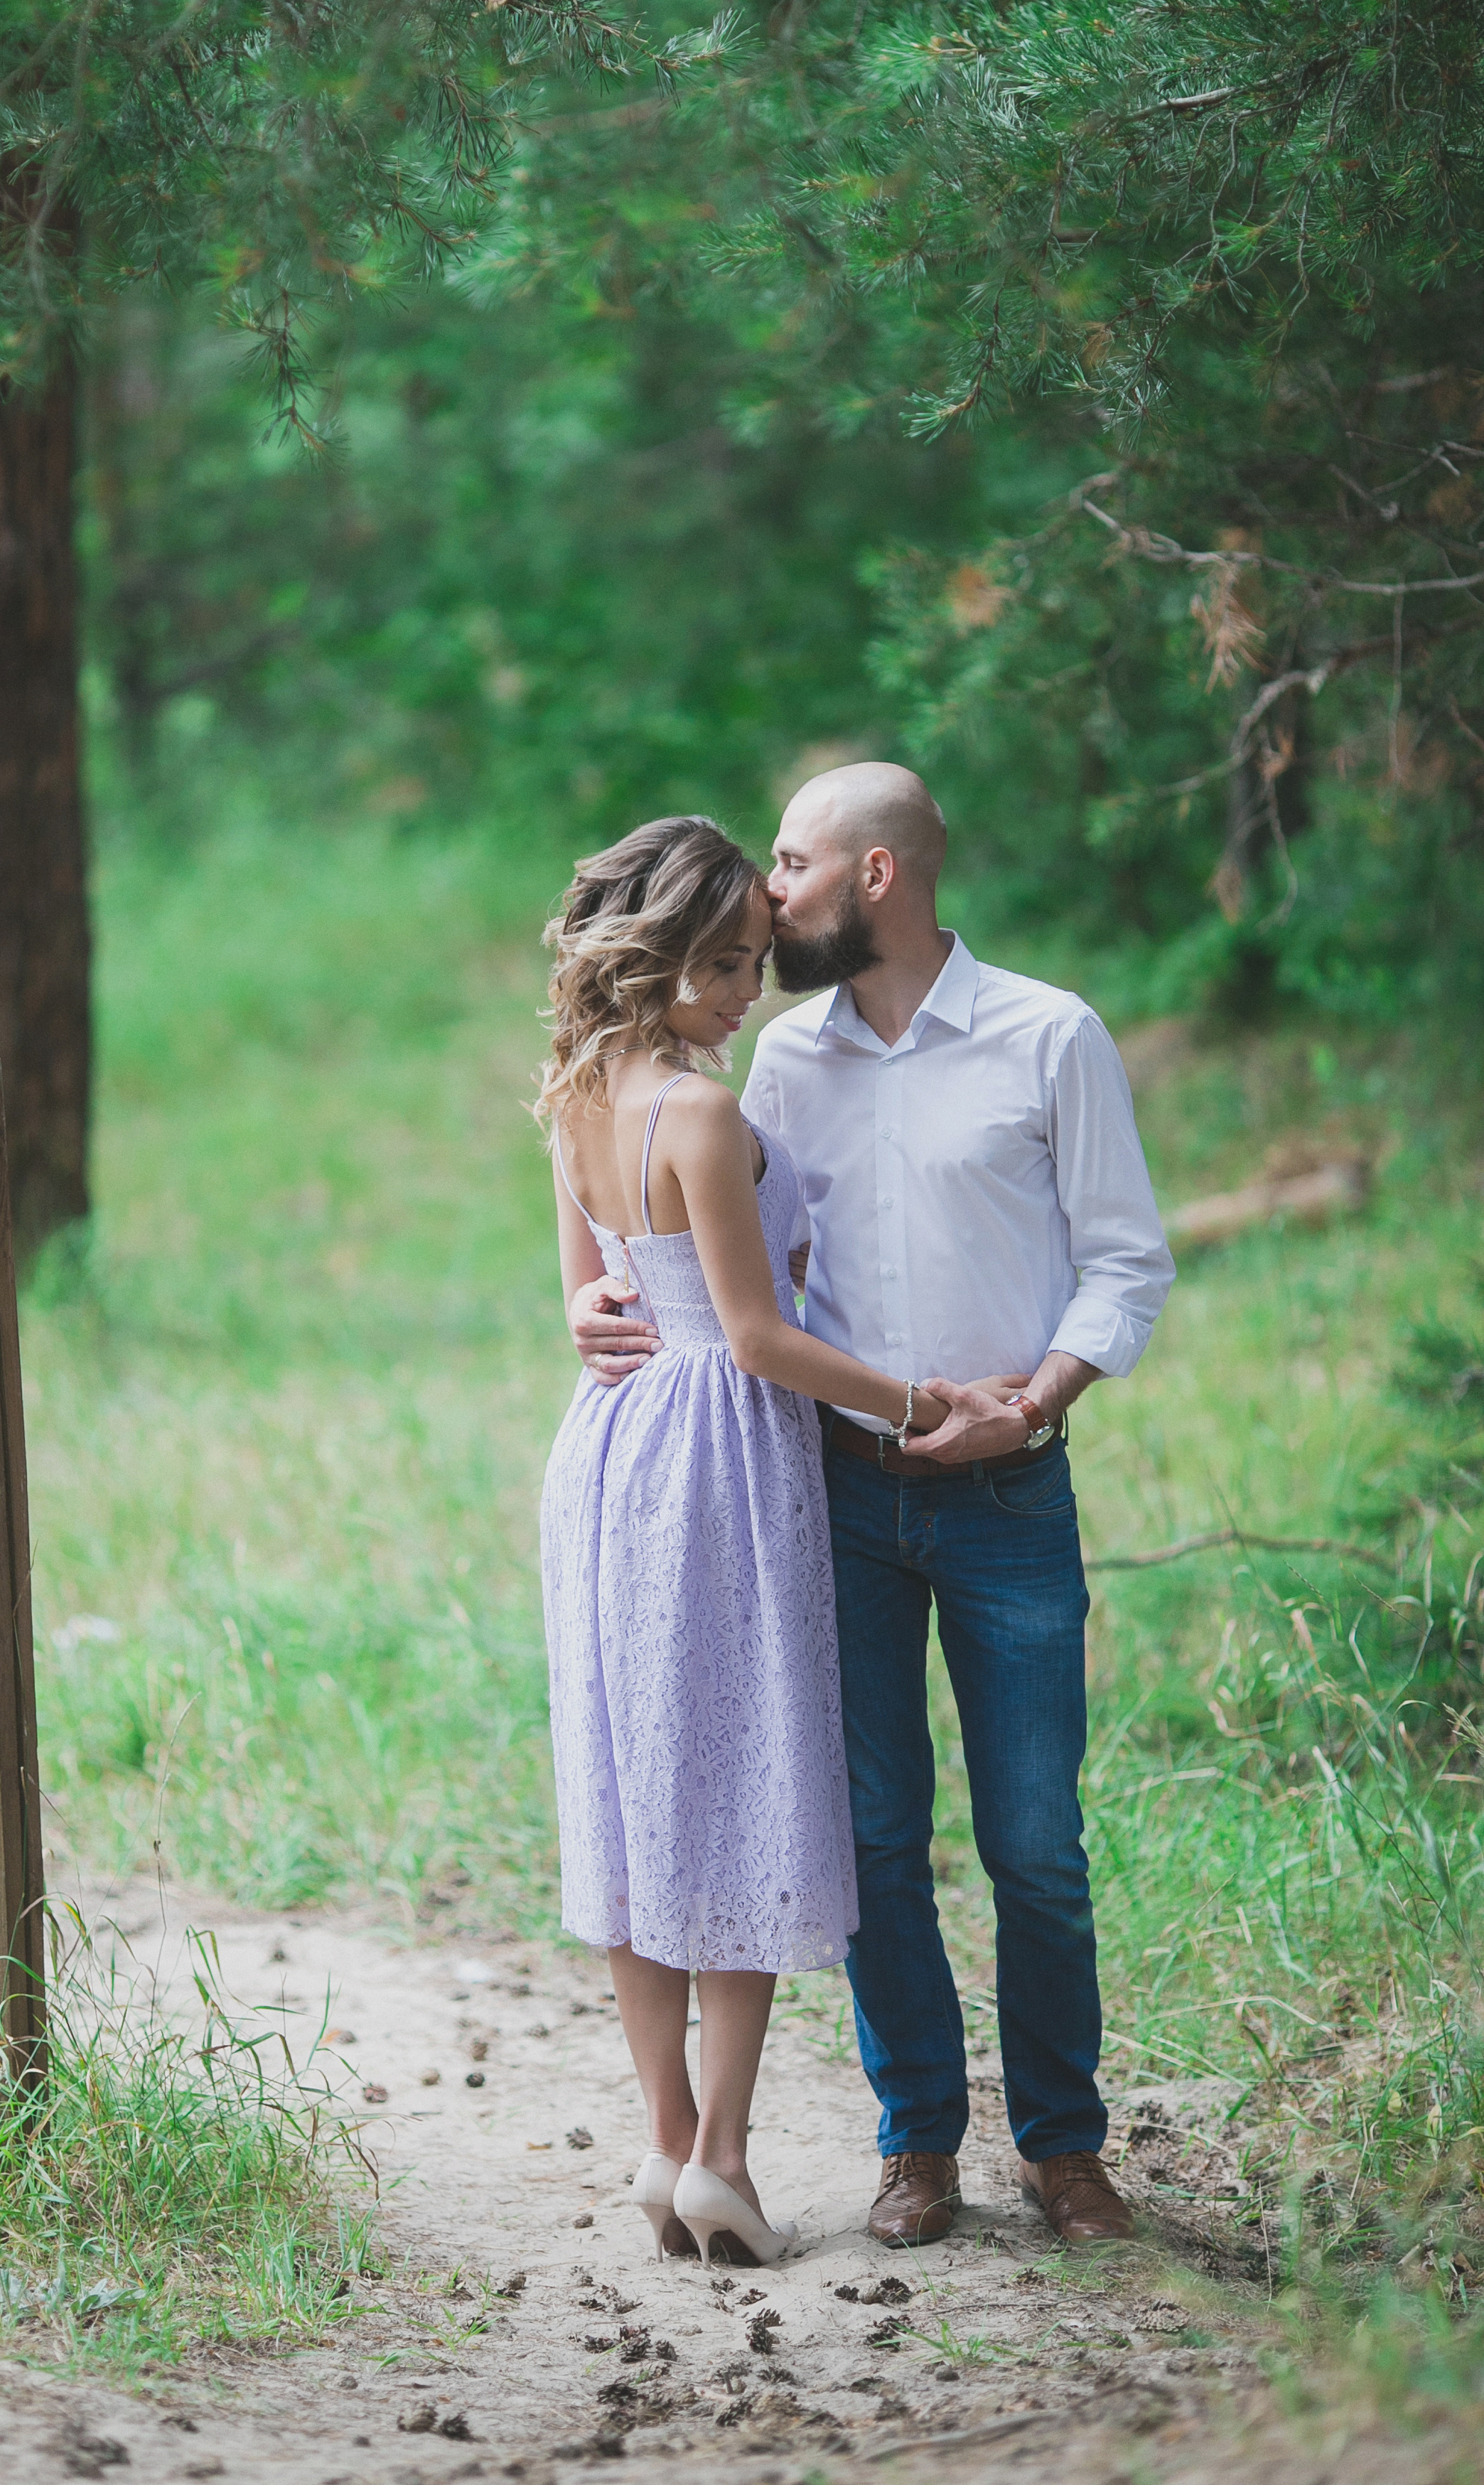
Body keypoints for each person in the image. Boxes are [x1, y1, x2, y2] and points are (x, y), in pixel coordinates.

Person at [571, 766, 1175, 2255]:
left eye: (791, 862)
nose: (770, 896)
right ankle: (916, 2146)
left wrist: (1024, 1405)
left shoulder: (1049, 1036)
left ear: (877, 875)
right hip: (823, 1492)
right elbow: (726, 1267)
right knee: (868, 1838)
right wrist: (597, 1296)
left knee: (1033, 1837)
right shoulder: (774, 1061)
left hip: (1010, 1491)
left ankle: (1065, 2150)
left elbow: (1123, 1263)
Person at [539, 814, 986, 2268]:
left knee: (632, 1786)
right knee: (734, 1784)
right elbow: (750, 1340)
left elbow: (592, 1301)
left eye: (754, 958)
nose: (749, 988)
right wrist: (923, 1395)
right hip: (717, 1457)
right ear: (654, 956)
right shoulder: (703, 1116)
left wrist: (593, 1317)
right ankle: (720, 2156)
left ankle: (661, 2144)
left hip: (605, 1455)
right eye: (724, 964)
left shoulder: (572, 1089)